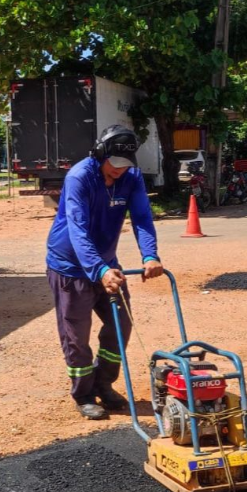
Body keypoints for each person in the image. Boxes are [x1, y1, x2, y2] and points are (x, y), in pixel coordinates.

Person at [46, 125, 164, 420]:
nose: (120, 170)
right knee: (76, 335)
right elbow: (78, 229)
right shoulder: (79, 177)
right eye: (115, 164)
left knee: (120, 325)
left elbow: (142, 217)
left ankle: (103, 383)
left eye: (125, 165)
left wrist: (150, 255)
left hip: (107, 264)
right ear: (100, 154)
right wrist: (99, 269)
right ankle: (84, 394)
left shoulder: (131, 177)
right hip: (71, 267)